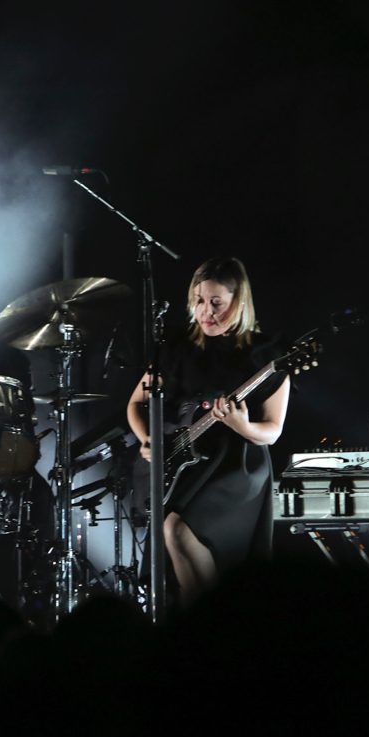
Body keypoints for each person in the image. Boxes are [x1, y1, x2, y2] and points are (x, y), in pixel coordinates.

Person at [127, 257, 290, 607]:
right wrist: (148, 440)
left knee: (177, 531)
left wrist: (243, 426)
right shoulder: (177, 348)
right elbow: (136, 404)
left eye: (217, 302)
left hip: (238, 465)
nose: (206, 311)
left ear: (239, 301)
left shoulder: (267, 355)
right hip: (186, 462)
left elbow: (272, 430)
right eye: (199, 301)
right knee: (172, 545)